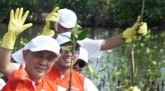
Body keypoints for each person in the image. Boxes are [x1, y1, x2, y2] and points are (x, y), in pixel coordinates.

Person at [10, 6, 148, 64]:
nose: (67, 33)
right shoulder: (41, 42)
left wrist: (129, 33)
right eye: (64, 28)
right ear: (55, 25)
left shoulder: (78, 42)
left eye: (70, 29)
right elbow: (13, 61)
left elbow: (107, 44)